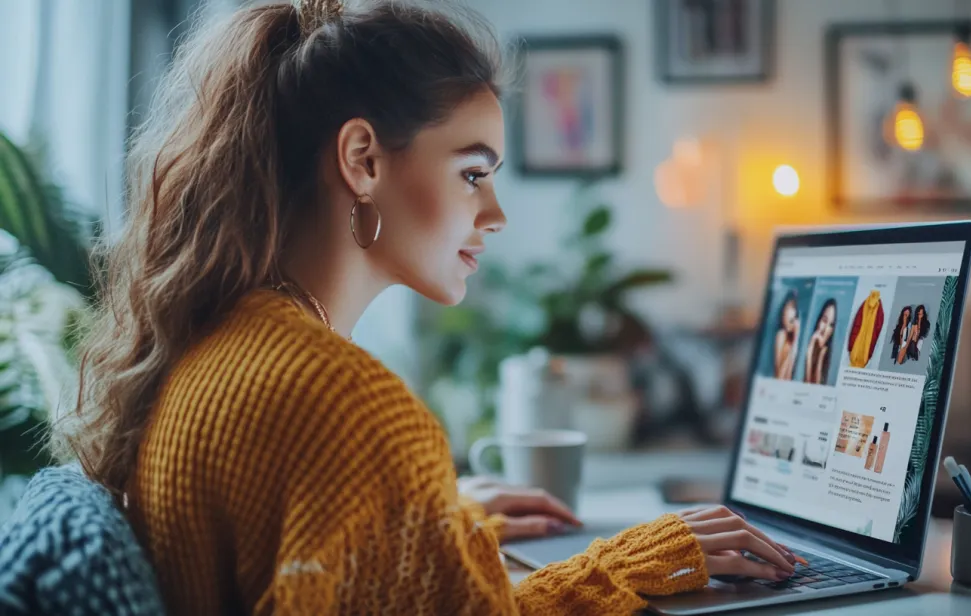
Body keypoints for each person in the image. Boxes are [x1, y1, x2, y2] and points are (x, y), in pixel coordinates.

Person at [50, 1, 798, 614]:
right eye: (473, 172)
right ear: (362, 160)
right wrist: (630, 561)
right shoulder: (341, 402)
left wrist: (420, 523)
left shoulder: (222, 344)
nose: (496, 213)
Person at [804, 299, 837, 385]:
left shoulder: (827, 354)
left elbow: (815, 390)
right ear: (819, 320)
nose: (825, 329)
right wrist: (810, 350)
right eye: (824, 321)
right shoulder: (805, 346)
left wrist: (820, 358)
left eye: (831, 325)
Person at [773, 290, 800, 380]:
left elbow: (789, 377)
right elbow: (779, 377)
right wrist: (793, 345)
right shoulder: (781, 335)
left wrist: (794, 343)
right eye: (787, 309)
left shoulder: (791, 338)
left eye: (792, 319)